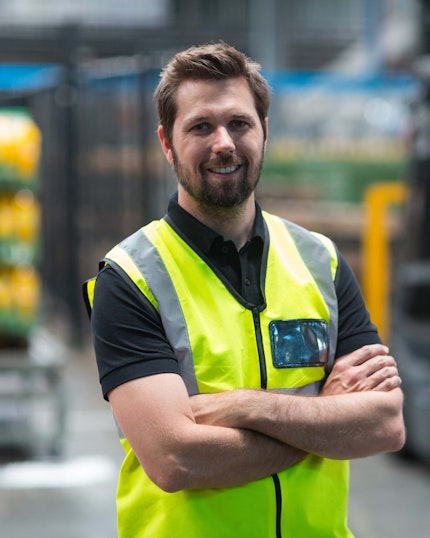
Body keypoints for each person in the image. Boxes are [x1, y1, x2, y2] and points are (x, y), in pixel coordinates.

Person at [83, 41, 405, 538]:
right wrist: (328, 420)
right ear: (167, 143)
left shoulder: (320, 260)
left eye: (239, 123)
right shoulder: (130, 279)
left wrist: (246, 407)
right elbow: (176, 460)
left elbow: (385, 425)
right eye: (201, 127)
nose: (224, 143)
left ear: (264, 132)